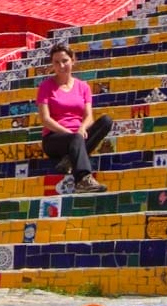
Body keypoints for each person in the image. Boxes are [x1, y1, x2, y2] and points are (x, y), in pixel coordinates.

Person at [36, 42, 112, 193]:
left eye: (65, 61)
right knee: (76, 139)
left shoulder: (83, 87)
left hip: (78, 136)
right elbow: (45, 119)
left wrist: (82, 128)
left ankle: (69, 161)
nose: (61, 66)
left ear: (73, 60)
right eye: (56, 62)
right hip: (54, 138)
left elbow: (89, 116)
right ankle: (83, 180)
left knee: (106, 121)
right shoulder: (45, 87)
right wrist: (69, 133)